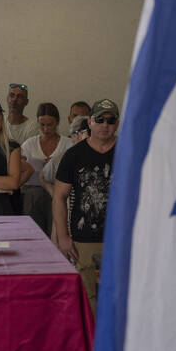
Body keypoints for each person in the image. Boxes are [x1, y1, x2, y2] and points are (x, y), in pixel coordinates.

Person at [54, 98, 119, 308]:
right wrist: (63, 237)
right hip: (84, 241)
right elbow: (59, 197)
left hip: (120, 240)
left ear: (117, 124)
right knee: (87, 300)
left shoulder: (129, 152)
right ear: (90, 122)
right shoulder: (73, 155)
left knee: (118, 300)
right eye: (99, 119)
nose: (105, 125)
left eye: (110, 120)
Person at [18, 102, 61, 235]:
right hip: (32, 194)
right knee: (33, 232)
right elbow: (18, 168)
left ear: (57, 123)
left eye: (50, 125)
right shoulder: (29, 144)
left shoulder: (67, 144)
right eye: (42, 125)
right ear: (37, 123)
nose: (46, 129)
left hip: (58, 192)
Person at [43, 115, 89, 188]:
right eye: (81, 132)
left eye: (89, 132)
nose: (86, 136)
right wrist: (53, 192)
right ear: (72, 136)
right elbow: (43, 176)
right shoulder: (60, 159)